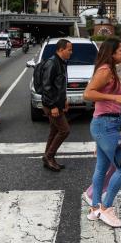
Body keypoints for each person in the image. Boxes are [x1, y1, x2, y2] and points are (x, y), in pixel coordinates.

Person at [83, 38, 121, 228]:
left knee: (102, 168)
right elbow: (88, 94)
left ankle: (95, 208)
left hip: (106, 125)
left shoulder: (110, 70)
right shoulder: (105, 71)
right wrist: (114, 97)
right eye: (120, 50)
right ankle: (106, 208)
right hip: (106, 126)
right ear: (111, 53)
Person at [41, 39, 72, 171]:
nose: (71, 52)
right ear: (60, 50)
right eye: (69, 49)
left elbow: (59, 86)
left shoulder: (61, 63)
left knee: (54, 131)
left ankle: (48, 158)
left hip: (57, 103)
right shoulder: (52, 63)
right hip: (51, 104)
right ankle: (49, 156)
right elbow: (46, 86)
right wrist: (53, 105)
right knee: (65, 130)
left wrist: (64, 99)